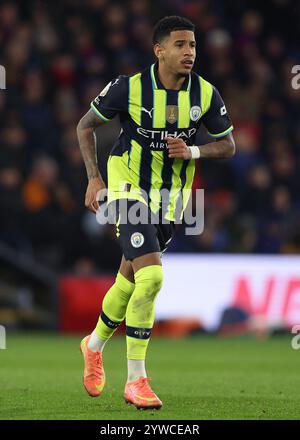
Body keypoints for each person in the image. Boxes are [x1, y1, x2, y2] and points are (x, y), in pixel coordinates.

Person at [76, 15, 235, 410]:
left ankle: (93, 346)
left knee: (130, 282)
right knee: (151, 278)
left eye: (193, 46)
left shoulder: (206, 94)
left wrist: (194, 150)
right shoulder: (128, 87)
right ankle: (137, 380)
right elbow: (85, 126)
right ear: (159, 50)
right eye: (180, 45)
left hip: (171, 199)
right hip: (127, 185)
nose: (190, 53)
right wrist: (94, 179)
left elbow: (228, 145)